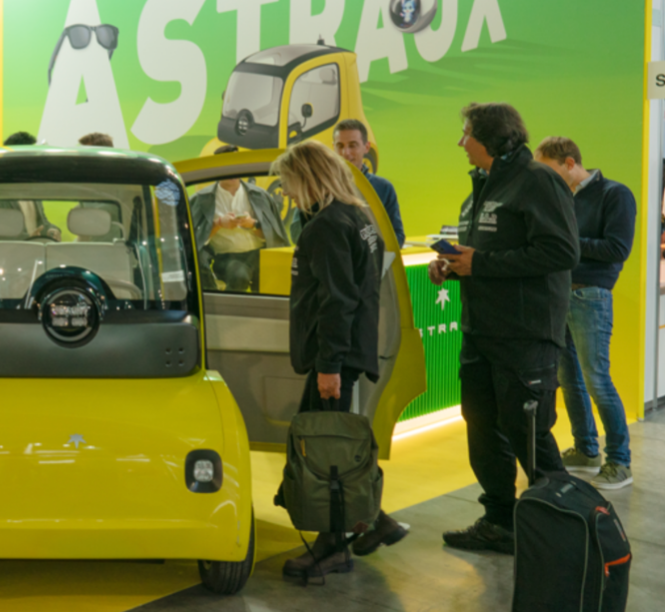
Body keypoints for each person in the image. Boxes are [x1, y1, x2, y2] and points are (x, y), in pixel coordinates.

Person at [430, 103, 578, 554]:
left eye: (467, 133)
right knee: (481, 426)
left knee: (527, 433)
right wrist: (452, 266)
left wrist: (481, 263)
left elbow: (562, 252)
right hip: (481, 332)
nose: (461, 142)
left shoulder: (538, 180)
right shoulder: (480, 188)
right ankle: (499, 521)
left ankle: (565, 531)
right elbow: (483, 256)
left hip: (524, 336)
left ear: (492, 138)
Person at [269, 141, 400, 579]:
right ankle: (376, 522)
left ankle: (332, 547)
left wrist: (329, 365)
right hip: (350, 348)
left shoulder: (325, 227)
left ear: (307, 177)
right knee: (333, 445)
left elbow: (337, 300)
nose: (285, 191)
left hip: (337, 354)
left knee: (326, 453)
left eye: (287, 181)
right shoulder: (357, 217)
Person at [534, 137, 635, 490]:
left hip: (591, 295)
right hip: (559, 294)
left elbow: (617, 248)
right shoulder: (561, 197)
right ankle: (586, 450)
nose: (544, 177)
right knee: (569, 378)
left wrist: (566, 242)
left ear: (569, 162)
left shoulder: (615, 194)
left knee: (596, 380)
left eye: (548, 169)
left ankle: (619, 461)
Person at [190, 145, 287, 292]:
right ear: (217, 167)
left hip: (261, 255)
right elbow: (194, 242)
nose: (233, 170)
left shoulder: (261, 195)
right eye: (227, 165)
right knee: (239, 276)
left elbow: (275, 237)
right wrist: (218, 224)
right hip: (227, 258)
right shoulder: (201, 199)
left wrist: (252, 224)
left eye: (236, 164)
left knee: (272, 285)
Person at [333, 118, 404, 247]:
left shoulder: (384, 188)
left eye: (352, 145)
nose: (345, 153)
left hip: (371, 260)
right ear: (333, 148)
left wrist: (367, 248)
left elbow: (397, 238)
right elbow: (297, 231)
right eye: (340, 146)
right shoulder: (320, 186)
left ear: (366, 147)